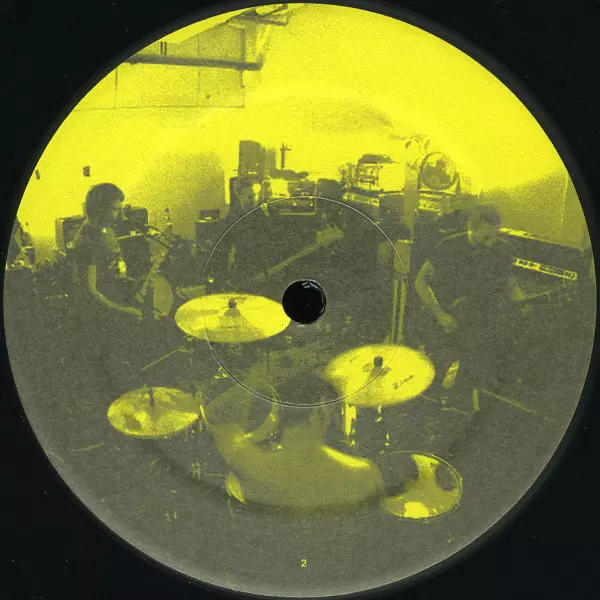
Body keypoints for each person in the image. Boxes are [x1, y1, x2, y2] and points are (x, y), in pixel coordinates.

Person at [202, 375, 386, 513]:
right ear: (319, 412)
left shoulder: (250, 463)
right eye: (333, 412)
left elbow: (216, 421)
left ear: (278, 413)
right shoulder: (365, 473)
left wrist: (252, 381)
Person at [414, 202, 525, 404]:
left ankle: (457, 409)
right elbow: (420, 281)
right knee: (432, 376)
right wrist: (439, 314)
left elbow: (511, 285)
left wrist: (523, 304)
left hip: (478, 324)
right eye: (485, 237)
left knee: (470, 378)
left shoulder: (502, 250)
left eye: (495, 236)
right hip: (447, 320)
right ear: (470, 228)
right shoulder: (449, 246)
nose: (491, 243)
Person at [71, 183, 142, 320]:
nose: (122, 216)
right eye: (115, 210)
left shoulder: (106, 230)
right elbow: (91, 292)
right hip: (100, 315)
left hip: (114, 298)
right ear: (100, 210)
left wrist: (129, 280)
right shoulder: (87, 241)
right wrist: (126, 311)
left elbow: (113, 267)